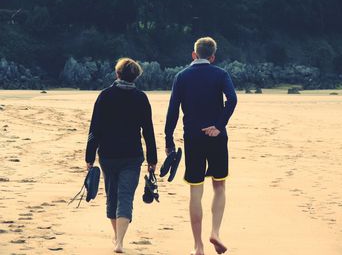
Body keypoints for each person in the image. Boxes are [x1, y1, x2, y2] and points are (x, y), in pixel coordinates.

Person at [165, 37, 237, 255]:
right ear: (213, 57)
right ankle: (215, 231)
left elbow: (173, 110)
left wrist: (168, 139)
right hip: (216, 136)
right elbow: (232, 100)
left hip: (193, 138)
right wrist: (219, 124)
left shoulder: (182, 76)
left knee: (195, 190)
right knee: (219, 185)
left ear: (193, 54)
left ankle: (198, 246)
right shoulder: (220, 74)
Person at [85, 58, 157, 253]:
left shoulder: (105, 96)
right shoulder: (140, 98)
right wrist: (152, 159)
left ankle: (117, 237)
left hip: (108, 155)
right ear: (136, 76)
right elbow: (148, 131)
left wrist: (89, 157)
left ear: (117, 74)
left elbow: (95, 129)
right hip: (132, 156)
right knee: (125, 197)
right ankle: (119, 241)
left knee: (112, 196)